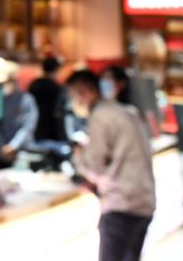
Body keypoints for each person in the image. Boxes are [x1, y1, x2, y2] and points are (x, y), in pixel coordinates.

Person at [66, 69, 155, 261]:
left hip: (121, 204)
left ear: (84, 91)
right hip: (144, 202)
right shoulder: (126, 111)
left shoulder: (100, 116)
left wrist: (78, 156)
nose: (74, 102)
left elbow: (94, 166)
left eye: (73, 96)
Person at [0, 57, 38, 168]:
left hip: (22, 154)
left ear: (14, 81)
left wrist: (13, 146)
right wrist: (1, 146)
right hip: (0, 155)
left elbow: (27, 127)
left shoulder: (26, 100)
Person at [27, 57, 67, 142]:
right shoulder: (57, 88)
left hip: (34, 129)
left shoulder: (33, 85)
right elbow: (59, 111)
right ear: (56, 70)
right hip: (52, 131)